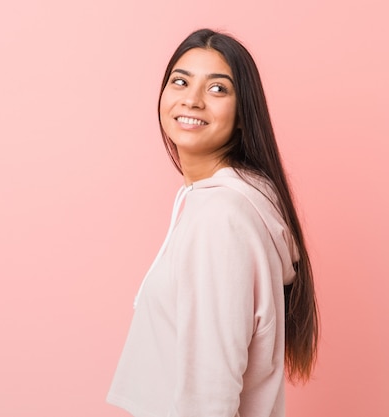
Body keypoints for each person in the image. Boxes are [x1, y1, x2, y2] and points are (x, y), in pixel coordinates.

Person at [107, 28, 318, 417]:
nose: (192, 99)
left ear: (243, 116)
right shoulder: (219, 204)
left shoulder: (221, 218)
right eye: (180, 81)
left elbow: (211, 394)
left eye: (217, 89)